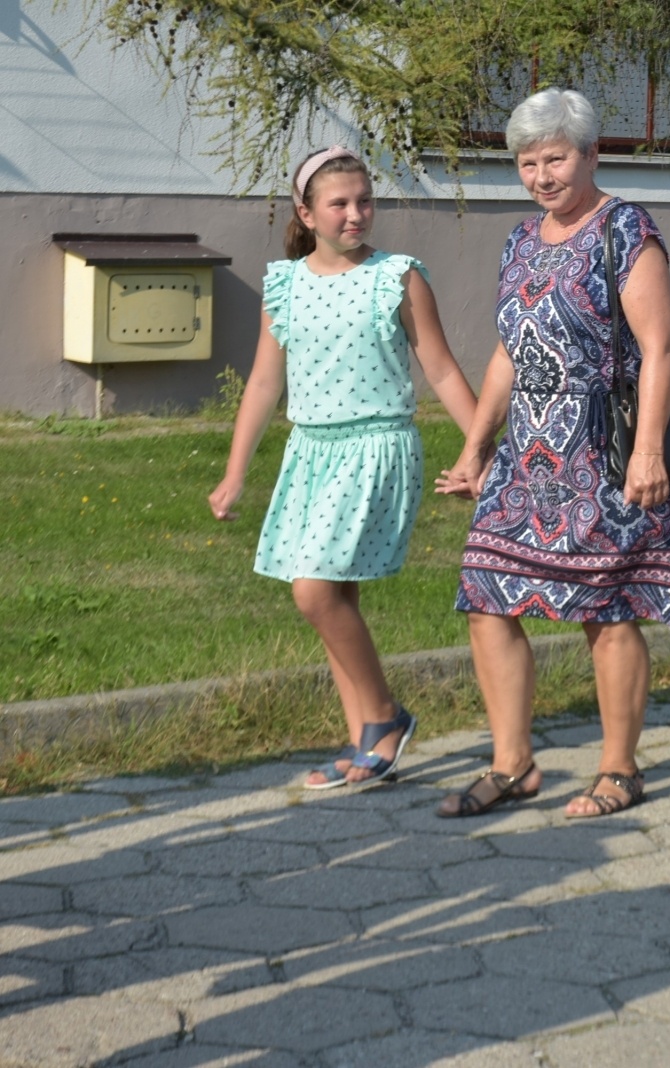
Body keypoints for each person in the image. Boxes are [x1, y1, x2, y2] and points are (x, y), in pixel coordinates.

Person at [434, 88, 670, 819]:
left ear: (590, 154)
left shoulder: (625, 230)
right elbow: (510, 353)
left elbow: (660, 347)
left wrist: (648, 452)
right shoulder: (520, 240)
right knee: (486, 594)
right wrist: (476, 446)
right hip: (527, 459)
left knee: (605, 608)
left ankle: (619, 769)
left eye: (556, 158)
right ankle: (512, 765)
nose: (543, 175)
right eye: (528, 162)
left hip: (604, 450)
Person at [209, 145, 477, 790]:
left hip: (375, 448)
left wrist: (479, 451)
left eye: (365, 200)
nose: (356, 214)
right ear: (307, 211)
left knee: (315, 591)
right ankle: (366, 744)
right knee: (336, 594)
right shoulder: (286, 282)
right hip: (311, 452)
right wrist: (235, 470)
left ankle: (384, 718)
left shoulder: (398, 276)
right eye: (340, 203)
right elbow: (265, 383)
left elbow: (439, 367)